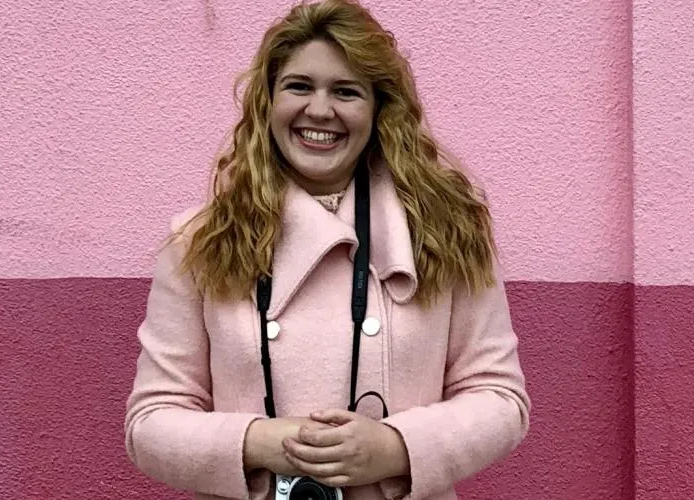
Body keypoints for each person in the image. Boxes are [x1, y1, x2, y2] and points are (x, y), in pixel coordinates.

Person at [123, 1, 529, 498]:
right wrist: (261, 440)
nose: (320, 110)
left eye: (346, 91)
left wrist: (396, 447)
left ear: (379, 108)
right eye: (298, 86)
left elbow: (501, 399)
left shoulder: (447, 229)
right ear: (267, 102)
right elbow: (150, 422)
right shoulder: (199, 241)